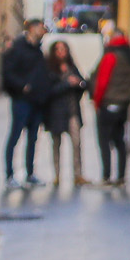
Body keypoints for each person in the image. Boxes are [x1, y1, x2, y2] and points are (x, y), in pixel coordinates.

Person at [35, 40, 90, 187]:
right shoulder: (50, 69)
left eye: (64, 49)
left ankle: (78, 175)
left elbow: (83, 83)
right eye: (58, 49)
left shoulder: (72, 67)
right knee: (56, 144)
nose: (61, 52)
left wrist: (78, 83)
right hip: (56, 113)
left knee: (76, 143)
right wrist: (67, 84)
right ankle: (57, 175)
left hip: (72, 111)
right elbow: (49, 91)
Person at [0, 19, 46, 187]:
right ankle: (9, 174)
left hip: (36, 101)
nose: (43, 30)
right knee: (15, 136)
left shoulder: (38, 50)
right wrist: (22, 86)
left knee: (33, 138)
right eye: (41, 28)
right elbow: (7, 72)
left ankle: (30, 173)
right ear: (32, 28)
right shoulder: (17, 48)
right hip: (21, 100)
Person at [91, 22, 130, 186]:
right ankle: (121, 177)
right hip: (123, 104)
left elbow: (102, 82)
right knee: (119, 141)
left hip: (108, 103)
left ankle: (106, 176)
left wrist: (96, 102)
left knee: (104, 140)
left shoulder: (111, 56)